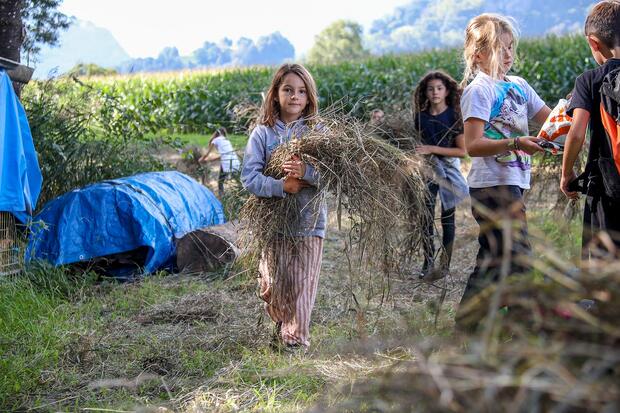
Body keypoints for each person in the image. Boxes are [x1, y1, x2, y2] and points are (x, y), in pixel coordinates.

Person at [458, 13, 551, 306]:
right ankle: (523, 322)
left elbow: (550, 120)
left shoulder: (519, 85)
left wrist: (576, 108)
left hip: (514, 181)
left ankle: (472, 325)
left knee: (494, 256)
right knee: (518, 255)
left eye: (511, 46)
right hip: (491, 185)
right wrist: (515, 142)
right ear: (479, 53)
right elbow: (473, 145)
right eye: (501, 47)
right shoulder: (479, 90)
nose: (509, 54)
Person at [241, 63, 325, 351]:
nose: (295, 96)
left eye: (302, 91)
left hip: (309, 223)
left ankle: (295, 340)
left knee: (303, 286)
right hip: (274, 225)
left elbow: (333, 175)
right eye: (288, 90)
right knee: (274, 284)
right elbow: (249, 177)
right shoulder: (262, 134)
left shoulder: (319, 133)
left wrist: (306, 173)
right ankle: (281, 322)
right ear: (275, 93)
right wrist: (281, 186)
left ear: (309, 97)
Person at [560, 0, 620, 258]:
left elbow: (577, 133)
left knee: (604, 269)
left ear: (594, 43)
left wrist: (567, 173)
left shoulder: (589, 80)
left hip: (606, 187)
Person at [412, 71, 468, 280]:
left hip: (448, 171)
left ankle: (444, 265)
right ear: (425, 92)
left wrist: (431, 149)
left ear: (446, 91)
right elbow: (417, 146)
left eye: (439, 88)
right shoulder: (420, 117)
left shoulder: (454, 117)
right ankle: (427, 263)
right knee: (425, 217)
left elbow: (462, 151)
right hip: (427, 170)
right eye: (430, 88)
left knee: (447, 219)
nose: (435, 92)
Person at [198, 127, 241, 197]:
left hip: (227, 162)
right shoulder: (227, 141)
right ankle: (240, 195)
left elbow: (207, 154)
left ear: (216, 133)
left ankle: (222, 197)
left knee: (220, 181)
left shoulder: (215, 140)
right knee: (238, 181)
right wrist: (209, 160)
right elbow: (222, 155)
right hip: (234, 161)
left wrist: (201, 159)